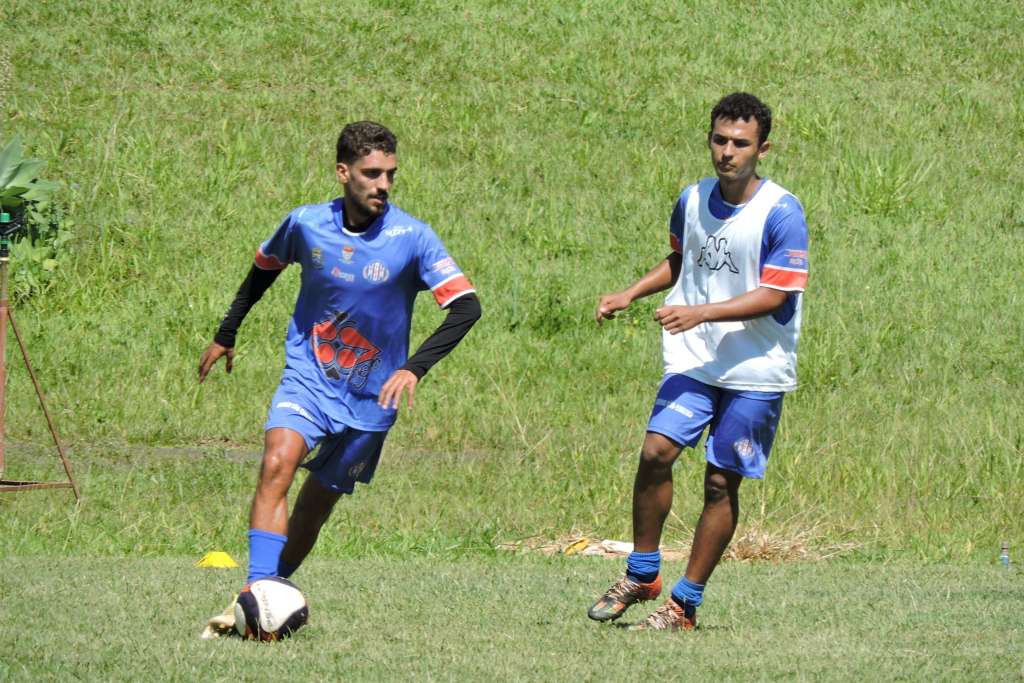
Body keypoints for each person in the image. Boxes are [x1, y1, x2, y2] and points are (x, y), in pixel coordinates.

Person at [197, 121, 481, 637]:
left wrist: (413, 367)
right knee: (277, 462)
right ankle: (257, 588)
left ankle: (266, 598)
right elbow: (264, 268)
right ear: (343, 172)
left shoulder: (412, 237)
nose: (384, 185)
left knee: (316, 503)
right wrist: (227, 331)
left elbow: (467, 307)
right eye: (372, 174)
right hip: (309, 378)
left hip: (373, 398)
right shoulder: (306, 224)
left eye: (391, 174)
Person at [588, 93, 808, 631]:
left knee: (718, 482)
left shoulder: (782, 212)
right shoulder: (691, 199)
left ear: (763, 148)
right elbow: (681, 259)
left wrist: (701, 312)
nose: (727, 152)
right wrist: (629, 293)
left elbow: (776, 295)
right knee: (656, 451)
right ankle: (643, 573)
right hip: (695, 360)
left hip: (756, 369)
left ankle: (684, 604)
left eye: (741, 143)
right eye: (719, 140)